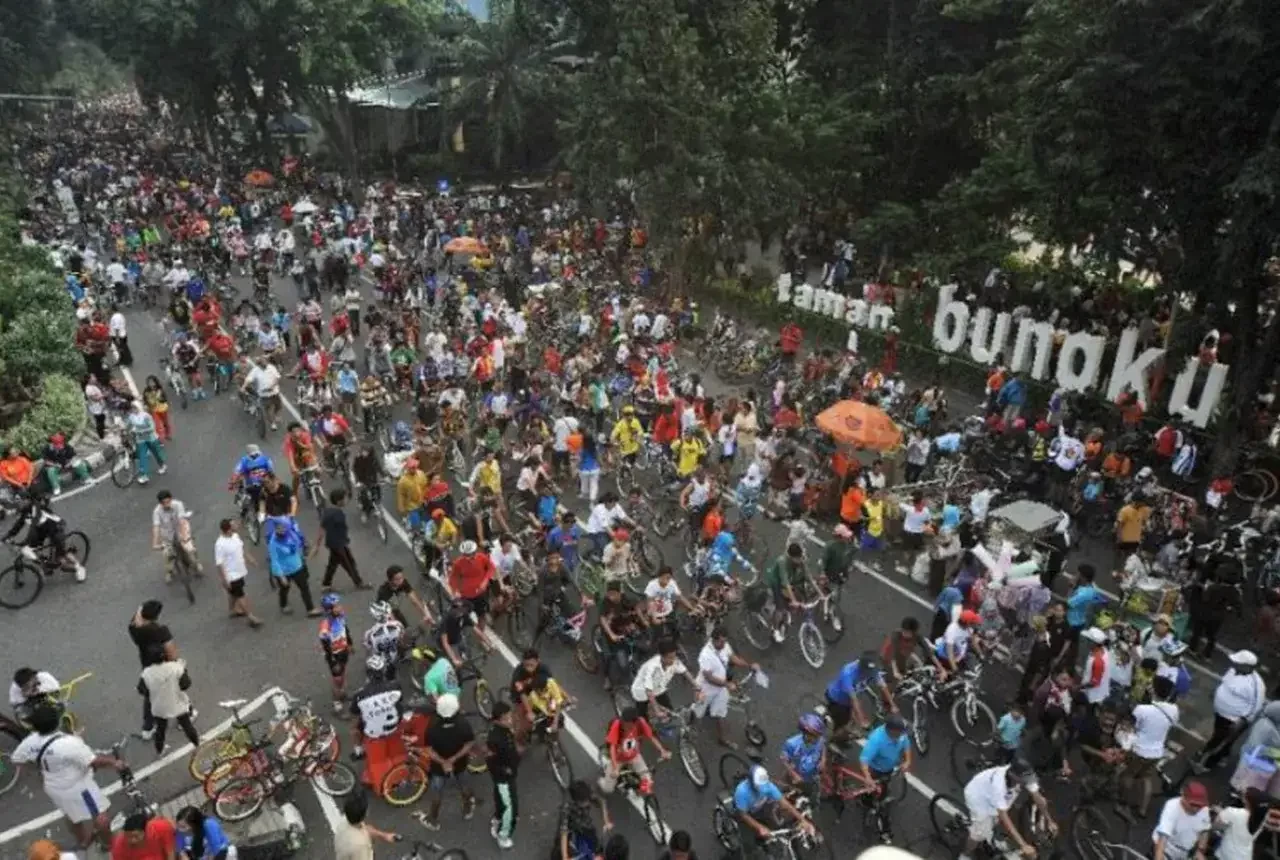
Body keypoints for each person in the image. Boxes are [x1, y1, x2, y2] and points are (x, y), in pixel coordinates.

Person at [11, 703, 122, 850]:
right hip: (78, 788)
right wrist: (115, 763)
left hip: (53, 787)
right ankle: (108, 844)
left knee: (71, 814)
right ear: (56, 722)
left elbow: (17, 760)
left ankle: (83, 841)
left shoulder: (29, 743)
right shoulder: (69, 744)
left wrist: (39, 772)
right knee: (100, 817)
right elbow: (94, 761)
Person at [960, 758, 1056, 859]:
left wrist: (1049, 820)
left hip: (996, 799)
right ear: (1013, 775)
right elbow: (1004, 817)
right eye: (1024, 779)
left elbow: (1038, 798)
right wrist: (1023, 845)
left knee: (993, 821)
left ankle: (984, 837)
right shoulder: (998, 785)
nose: (1027, 782)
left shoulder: (1024, 776)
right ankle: (965, 854)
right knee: (979, 833)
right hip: (979, 799)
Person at [1118, 675, 1179, 821]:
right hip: (1157, 752)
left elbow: (1132, 727)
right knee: (1146, 778)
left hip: (1139, 750)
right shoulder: (1174, 710)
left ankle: (1123, 805)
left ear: (1154, 690)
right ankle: (1143, 809)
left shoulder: (1142, 709)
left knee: (1128, 775)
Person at [1195, 650, 1266, 772]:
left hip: (1234, 720)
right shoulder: (1233, 670)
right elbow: (1225, 682)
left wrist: (1242, 721)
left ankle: (1206, 764)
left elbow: (1256, 707)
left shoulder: (1257, 685)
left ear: (1247, 666)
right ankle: (1223, 754)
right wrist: (1217, 692)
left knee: (1220, 741)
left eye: (1237, 662)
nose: (1233, 663)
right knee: (1220, 736)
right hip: (1220, 714)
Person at [694, 626, 761, 748]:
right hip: (706, 689)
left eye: (725, 641)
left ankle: (722, 739)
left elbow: (733, 658)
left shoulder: (724, 646)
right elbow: (708, 677)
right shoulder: (705, 655)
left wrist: (749, 665)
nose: (724, 644)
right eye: (721, 641)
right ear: (714, 640)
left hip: (720, 688)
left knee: (720, 714)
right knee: (698, 713)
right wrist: (727, 684)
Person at [732, 759, 815, 857]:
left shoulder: (768, 786)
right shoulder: (742, 792)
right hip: (746, 813)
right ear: (751, 783)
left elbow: (785, 804)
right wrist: (760, 827)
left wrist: (803, 820)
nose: (763, 790)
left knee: (777, 828)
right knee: (749, 847)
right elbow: (743, 815)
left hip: (762, 808)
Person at [349, 654, 405, 793]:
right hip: (395, 729)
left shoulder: (360, 695)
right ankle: (399, 774)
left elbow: (355, 719)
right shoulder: (395, 686)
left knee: (356, 726)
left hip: (374, 735)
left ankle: (359, 750)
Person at [421, 692, 477, 828]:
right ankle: (468, 808)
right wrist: (453, 759)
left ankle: (432, 819)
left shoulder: (432, 725)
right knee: (464, 785)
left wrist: (444, 762)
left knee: (437, 792)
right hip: (460, 762)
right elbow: (469, 743)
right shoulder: (463, 724)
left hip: (438, 766)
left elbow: (428, 749)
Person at [139, 645, 198, 755]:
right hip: (177, 702)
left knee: (160, 729)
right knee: (186, 725)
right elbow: (186, 684)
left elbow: (142, 690)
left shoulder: (146, 673)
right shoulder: (175, 667)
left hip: (159, 706)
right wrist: (183, 669)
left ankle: (159, 750)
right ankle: (196, 743)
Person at [824, 652, 896, 740]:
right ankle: (832, 740)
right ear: (861, 668)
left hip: (849, 699)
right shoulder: (848, 673)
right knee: (843, 721)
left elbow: (883, 686)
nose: (870, 675)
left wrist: (892, 705)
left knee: (853, 719)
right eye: (867, 672)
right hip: (837, 699)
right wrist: (862, 720)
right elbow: (854, 699)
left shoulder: (871, 671)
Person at [599, 706, 669, 794]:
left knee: (648, 782)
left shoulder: (641, 723)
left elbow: (651, 737)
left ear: (635, 722)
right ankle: (604, 774)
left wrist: (662, 751)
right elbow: (612, 747)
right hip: (618, 759)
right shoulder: (617, 725)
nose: (625, 726)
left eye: (628, 724)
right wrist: (616, 768)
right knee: (607, 789)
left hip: (634, 755)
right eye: (624, 723)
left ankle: (636, 791)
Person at [629, 638, 701, 722]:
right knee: (644, 719)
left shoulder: (674, 660)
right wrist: (657, 711)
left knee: (670, 712)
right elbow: (649, 691)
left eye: (674, 656)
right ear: (661, 655)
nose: (673, 660)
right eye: (669, 658)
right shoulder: (652, 667)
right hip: (642, 692)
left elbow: (685, 672)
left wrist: (697, 687)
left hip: (659, 689)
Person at [311, 488, 367, 590]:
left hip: (338, 543)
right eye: (345, 498)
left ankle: (326, 584)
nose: (346, 500)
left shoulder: (329, 511)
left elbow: (322, 528)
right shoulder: (334, 513)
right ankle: (359, 583)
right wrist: (316, 546)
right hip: (337, 545)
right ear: (339, 501)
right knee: (348, 564)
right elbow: (322, 529)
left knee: (333, 564)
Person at [214, 518, 262, 628]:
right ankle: (250, 617)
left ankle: (232, 610)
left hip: (240, 571)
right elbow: (219, 563)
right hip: (231, 575)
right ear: (228, 530)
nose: (237, 525)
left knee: (233, 593)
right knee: (241, 595)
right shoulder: (220, 544)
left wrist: (250, 559)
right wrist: (224, 580)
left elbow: (242, 549)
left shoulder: (235, 536)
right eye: (233, 525)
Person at [266, 516, 318, 616]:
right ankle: (283, 604)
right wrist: (281, 577)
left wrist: (307, 548)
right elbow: (275, 561)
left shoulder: (291, 534)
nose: (282, 530)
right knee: (285, 588)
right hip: (284, 571)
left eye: (284, 527)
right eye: (279, 528)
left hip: (297, 566)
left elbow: (299, 543)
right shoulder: (273, 543)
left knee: (304, 587)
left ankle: (310, 609)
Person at [487, 700, 521, 850]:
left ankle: (497, 818)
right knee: (510, 808)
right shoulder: (494, 739)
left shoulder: (504, 731)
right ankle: (503, 834)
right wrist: (505, 770)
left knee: (501, 800)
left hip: (508, 776)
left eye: (510, 716)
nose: (510, 720)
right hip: (503, 778)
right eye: (506, 718)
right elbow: (490, 762)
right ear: (498, 720)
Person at [1152, 781, 1212, 860]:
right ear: (1183, 797)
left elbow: (1205, 830)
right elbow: (1162, 840)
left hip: (1185, 852)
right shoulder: (1172, 807)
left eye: (1199, 806)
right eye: (1193, 804)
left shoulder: (1204, 809)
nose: (1196, 809)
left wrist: (1200, 850)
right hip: (1167, 848)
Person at [152, 490, 200, 584]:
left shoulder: (178, 505)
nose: (166, 505)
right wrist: (155, 543)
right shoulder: (157, 512)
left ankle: (196, 564)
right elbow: (156, 527)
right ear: (160, 503)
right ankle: (169, 572)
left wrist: (184, 536)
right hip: (167, 535)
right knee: (167, 555)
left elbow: (181, 521)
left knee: (190, 550)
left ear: (171, 499)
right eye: (164, 503)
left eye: (168, 501)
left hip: (180, 530)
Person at [334, 791, 398, 860]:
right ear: (366, 814)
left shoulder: (345, 821)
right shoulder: (361, 845)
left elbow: (366, 829)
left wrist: (384, 835)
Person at [558, 779, 612, 860]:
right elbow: (564, 832)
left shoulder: (588, 792)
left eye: (588, 800)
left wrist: (606, 820)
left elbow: (602, 802)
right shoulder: (566, 808)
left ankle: (596, 853)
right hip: (571, 822)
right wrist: (565, 857)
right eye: (584, 802)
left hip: (584, 820)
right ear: (576, 801)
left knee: (592, 837)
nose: (588, 803)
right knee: (560, 848)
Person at [317, 593, 353, 714]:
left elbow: (345, 629)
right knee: (337, 680)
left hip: (343, 651)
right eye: (336, 606)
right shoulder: (325, 626)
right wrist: (333, 662)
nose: (340, 607)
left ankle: (342, 694)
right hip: (334, 656)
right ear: (329, 610)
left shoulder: (340, 616)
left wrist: (350, 644)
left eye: (339, 605)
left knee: (342, 676)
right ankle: (336, 705)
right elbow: (326, 647)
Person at [780, 712, 828, 796]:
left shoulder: (819, 739)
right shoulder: (792, 744)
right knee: (789, 792)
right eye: (815, 736)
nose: (818, 738)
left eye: (818, 735)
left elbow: (823, 745)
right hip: (796, 775)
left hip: (811, 774)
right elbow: (784, 760)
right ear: (806, 733)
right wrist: (794, 774)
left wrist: (823, 759)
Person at [126, 399, 167, 484]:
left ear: (139, 407)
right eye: (132, 408)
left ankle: (162, 465)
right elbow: (128, 426)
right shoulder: (131, 417)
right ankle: (144, 475)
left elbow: (152, 428)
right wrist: (123, 430)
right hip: (141, 439)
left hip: (151, 438)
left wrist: (141, 431)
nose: (133, 409)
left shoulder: (146, 416)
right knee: (142, 456)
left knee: (156, 453)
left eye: (135, 407)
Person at [109, 812, 177, 860]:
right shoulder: (118, 846)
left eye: (135, 836)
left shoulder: (162, 827)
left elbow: (170, 852)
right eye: (128, 836)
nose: (131, 840)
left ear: (145, 831)